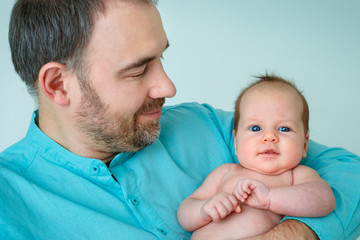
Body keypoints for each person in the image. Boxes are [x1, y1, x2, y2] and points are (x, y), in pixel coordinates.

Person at [0, 0, 359, 239]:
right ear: (59, 85)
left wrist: (292, 234)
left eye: (161, 60)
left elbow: (349, 171)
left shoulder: (203, 124)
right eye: (138, 69)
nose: (169, 87)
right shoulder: (9, 203)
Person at [177, 75, 336, 239]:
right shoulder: (225, 172)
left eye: (284, 129)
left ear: (304, 145)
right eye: (255, 128)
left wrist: (270, 198)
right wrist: (204, 209)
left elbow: (325, 200)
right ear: (236, 143)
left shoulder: (296, 175)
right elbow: (185, 213)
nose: (269, 136)